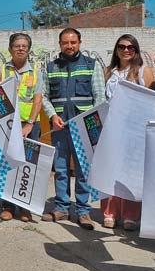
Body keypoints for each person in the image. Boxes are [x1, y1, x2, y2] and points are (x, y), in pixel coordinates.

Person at [40, 28, 106, 230]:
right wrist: (52, 116)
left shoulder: (91, 65)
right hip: (60, 127)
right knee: (60, 169)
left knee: (82, 170)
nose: (69, 46)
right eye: (65, 42)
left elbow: (100, 97)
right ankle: (61, 207)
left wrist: (88, 121)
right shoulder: (50, 67)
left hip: (83, 127)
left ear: (79, 43)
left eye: (73, 42)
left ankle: (83, 211)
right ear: (59, 44)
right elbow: (43, 96)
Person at [101, 34, 155, 231]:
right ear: (116, 50)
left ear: (136, 50)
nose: (126, 50)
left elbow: (151, 100)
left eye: (131, 47)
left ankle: (131, 214)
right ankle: (110, 212)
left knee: (131, 172)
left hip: (134, 129)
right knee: (111, 170)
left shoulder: (143, 71)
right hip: (112, 128)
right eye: (122, 47)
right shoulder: (108, 72)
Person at [0, 33, 43, 222]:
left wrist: (30, 124)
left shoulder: (36, 72)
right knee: (7, 166)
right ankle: (8, 206)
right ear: (10, 49)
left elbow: (38, 99)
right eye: (17, 45)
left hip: (29, 125)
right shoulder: (2, 70)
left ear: (28, 49)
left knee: (27, 167)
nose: (20, 48)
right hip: (7, 125)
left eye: (24, 46)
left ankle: (24, 207)